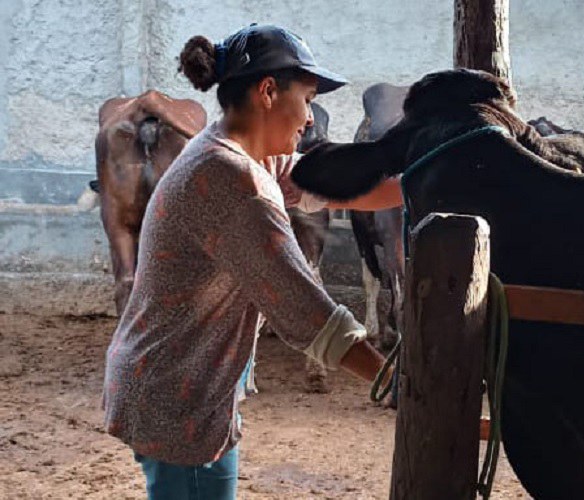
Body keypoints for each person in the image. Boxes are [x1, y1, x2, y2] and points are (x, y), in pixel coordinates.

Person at [102, 23, 402, 499]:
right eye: (305, 99)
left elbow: (328, 187)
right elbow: (308, 313)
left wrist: (427, 185)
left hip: (180, 388)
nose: (308, 118)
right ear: (267, 92)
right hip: (179, 404)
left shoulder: (238, 155)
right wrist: (399, 386)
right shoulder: (231, 181)